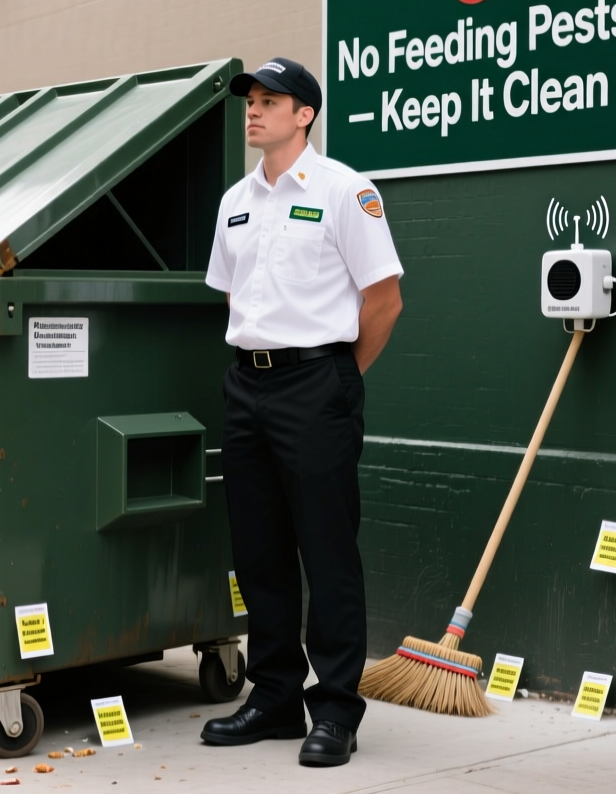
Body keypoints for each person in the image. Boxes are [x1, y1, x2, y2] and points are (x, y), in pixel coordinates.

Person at [199, 58, 404, 768]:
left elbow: (385, 300)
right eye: (249, 101)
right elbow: (234, 295)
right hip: (246, 386)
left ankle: (337, 711)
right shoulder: (235, 201)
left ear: (305, 114)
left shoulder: (347, 191)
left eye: (269, 100)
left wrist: (338, 379)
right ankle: (275, 697)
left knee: (328, 552)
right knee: (258, 552)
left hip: (317, 384)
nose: (253, 111)